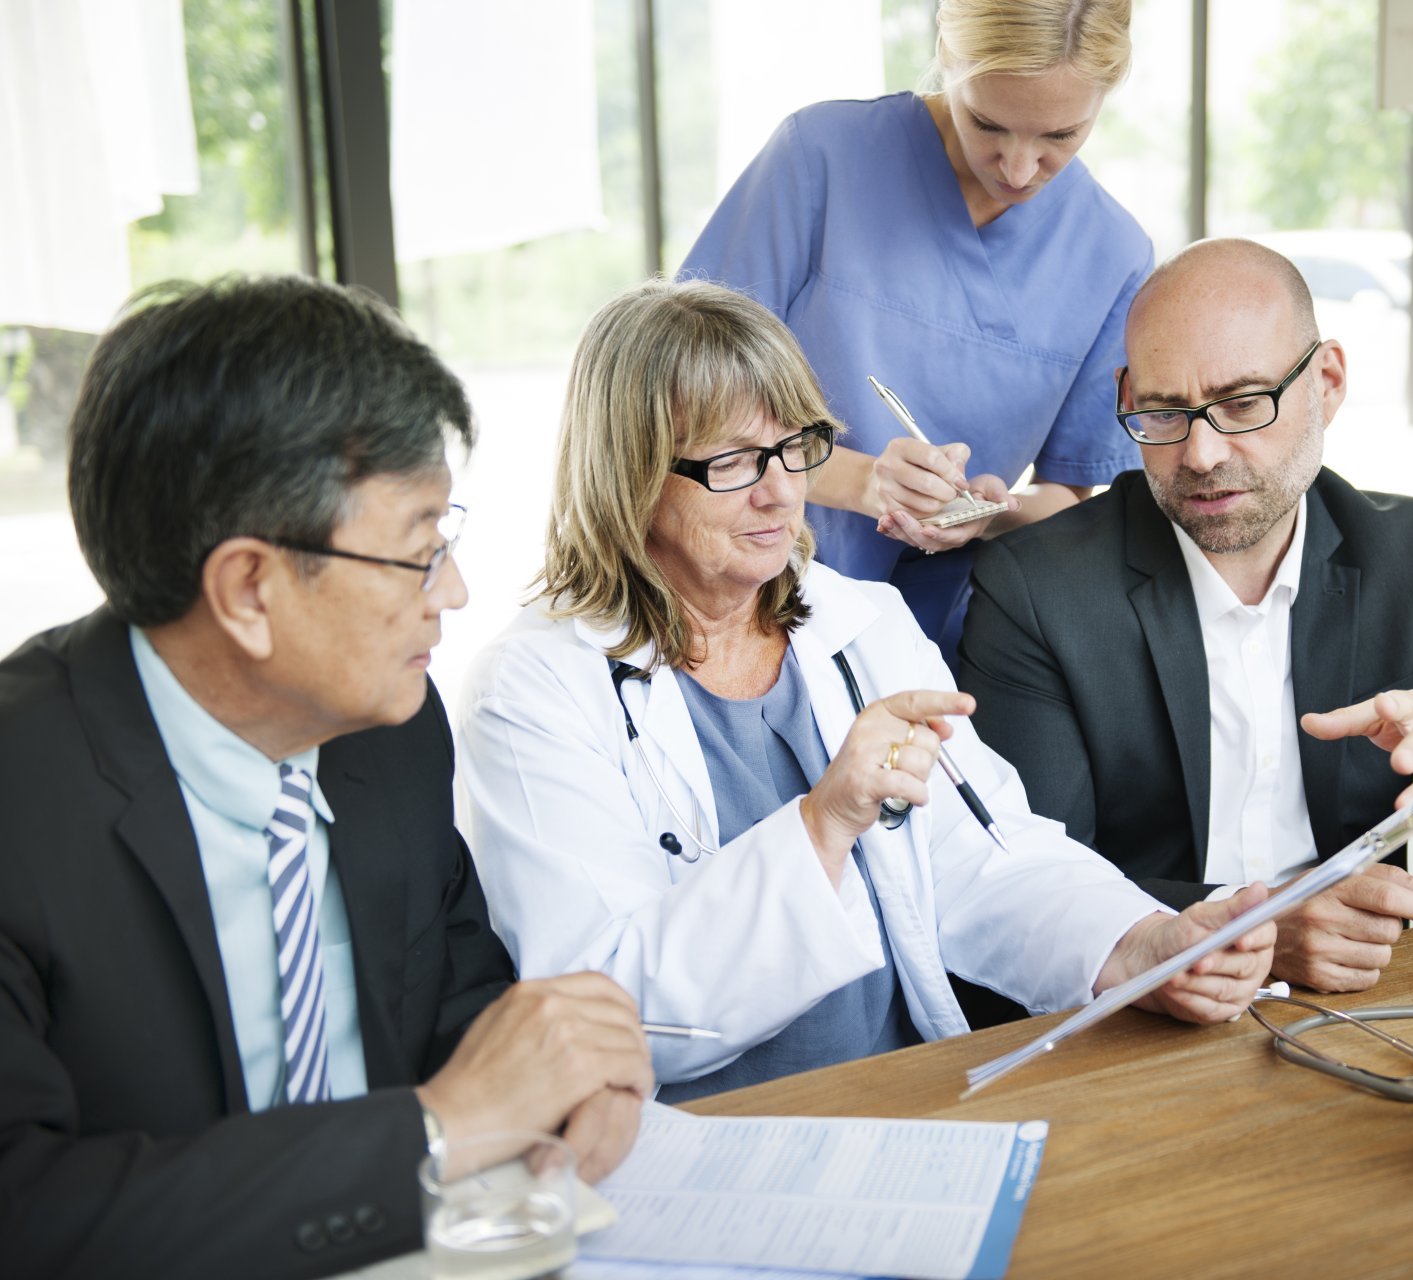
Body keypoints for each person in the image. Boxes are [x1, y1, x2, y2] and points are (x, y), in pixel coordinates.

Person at [456, 279, 1278, 1100]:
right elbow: (606, 1012)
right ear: (629, 472)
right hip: (694, 1138)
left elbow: (986, 859)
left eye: (796, 446)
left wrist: (1141, 946)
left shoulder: (863, 625)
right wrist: (823, 825)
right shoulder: (534, 688)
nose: (780, 490)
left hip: (896, 1101)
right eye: (735, 460)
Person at [0, 277, 653, 1280]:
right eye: (420, 551)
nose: (457, 593)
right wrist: (441, 1127)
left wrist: (562, 1075)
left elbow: (454, 996)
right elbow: (29, 1211)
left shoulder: (388, 728)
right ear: (250, 588)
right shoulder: (22, 797)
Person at [957, 238, 1413, 994]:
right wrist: (1258, 929)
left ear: (1329, 381)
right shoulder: (1038, 586)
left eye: (1244, 403)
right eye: (1163, 412)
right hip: (1133, 1022)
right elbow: (1023, 883)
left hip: (1361, 1009)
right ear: (1126, 400)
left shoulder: (1412, 557)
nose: (1203, 453)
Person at [678, 0, 1153, 663]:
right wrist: (863, 482)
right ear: (945, 52)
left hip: (934, 638)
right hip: (735, 594)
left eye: (1061, 137)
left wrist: (990, 515)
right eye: (989, 123)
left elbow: (1067, 494)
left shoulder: (1113, 254)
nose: (1018, 168)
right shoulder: (820, 158)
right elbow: (677, 389)